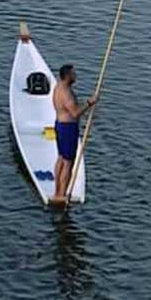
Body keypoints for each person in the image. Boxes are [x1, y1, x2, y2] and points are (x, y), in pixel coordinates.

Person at [51, 64, 98, 202]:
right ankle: (62, 193)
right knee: (68, 162)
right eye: (73, 74)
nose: (75, 76)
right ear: (67, 76)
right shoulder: (66, 93)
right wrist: (90, 103)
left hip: (60, 125)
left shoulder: (58, 87)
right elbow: (75, 113)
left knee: (61, 158)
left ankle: (57, 190)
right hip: (68, 129)